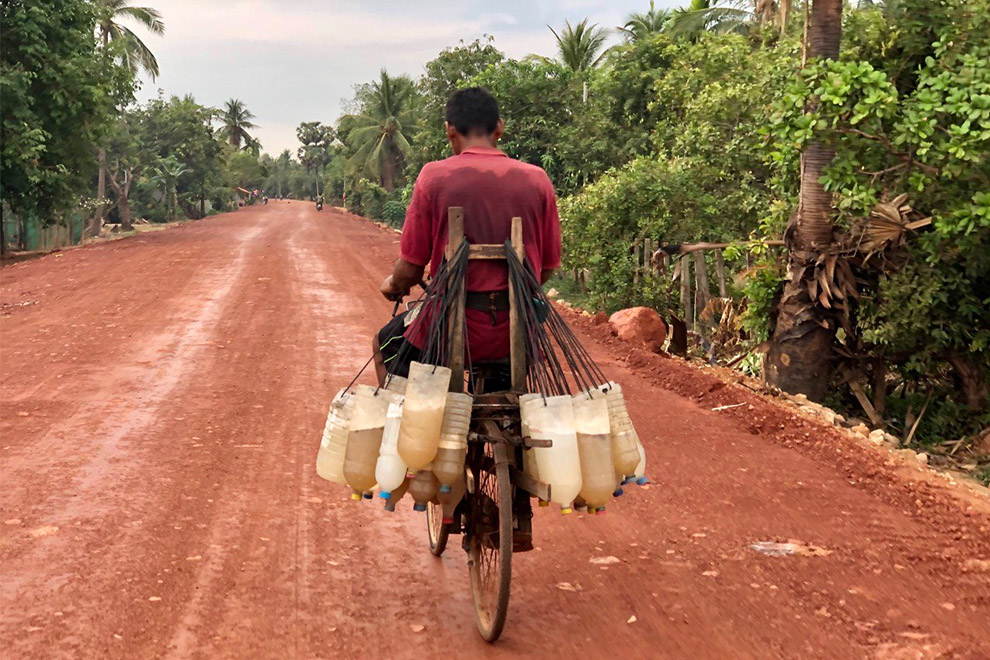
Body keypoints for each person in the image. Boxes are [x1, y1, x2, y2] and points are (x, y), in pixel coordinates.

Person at [374, 86, 561, 385]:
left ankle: (412, 412)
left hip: (445, 331)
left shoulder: (434, 177)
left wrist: (395, 285)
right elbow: (547, 268)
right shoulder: (537, 179)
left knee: (385, 343)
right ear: (499, 127)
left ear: (450, 129)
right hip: (515, 332)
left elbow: (410, 269)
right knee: (509, 384)